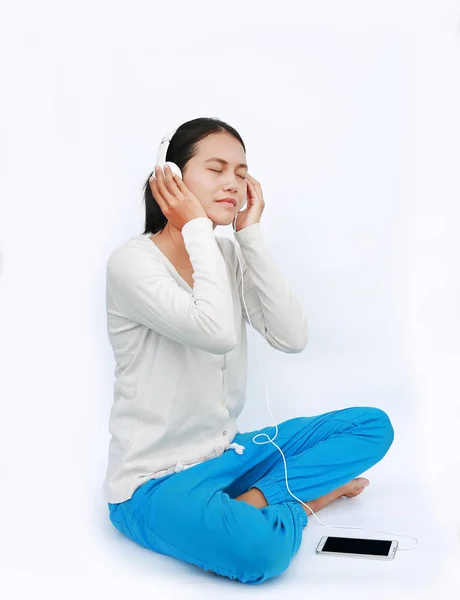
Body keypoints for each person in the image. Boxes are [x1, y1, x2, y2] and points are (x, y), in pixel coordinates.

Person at [103, 117, 394, 584]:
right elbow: (215, 330)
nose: (233, 185)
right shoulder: (133, 263)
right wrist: (197, 227)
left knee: (371, 426)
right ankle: (307, 500)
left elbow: (291, 337)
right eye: (216, 169)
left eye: (241, 173)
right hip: (153, 485)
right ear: (169, 178)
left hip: (226, 457)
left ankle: (254, 503)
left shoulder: (227, 256)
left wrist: (249, 237)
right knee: (261, 553)